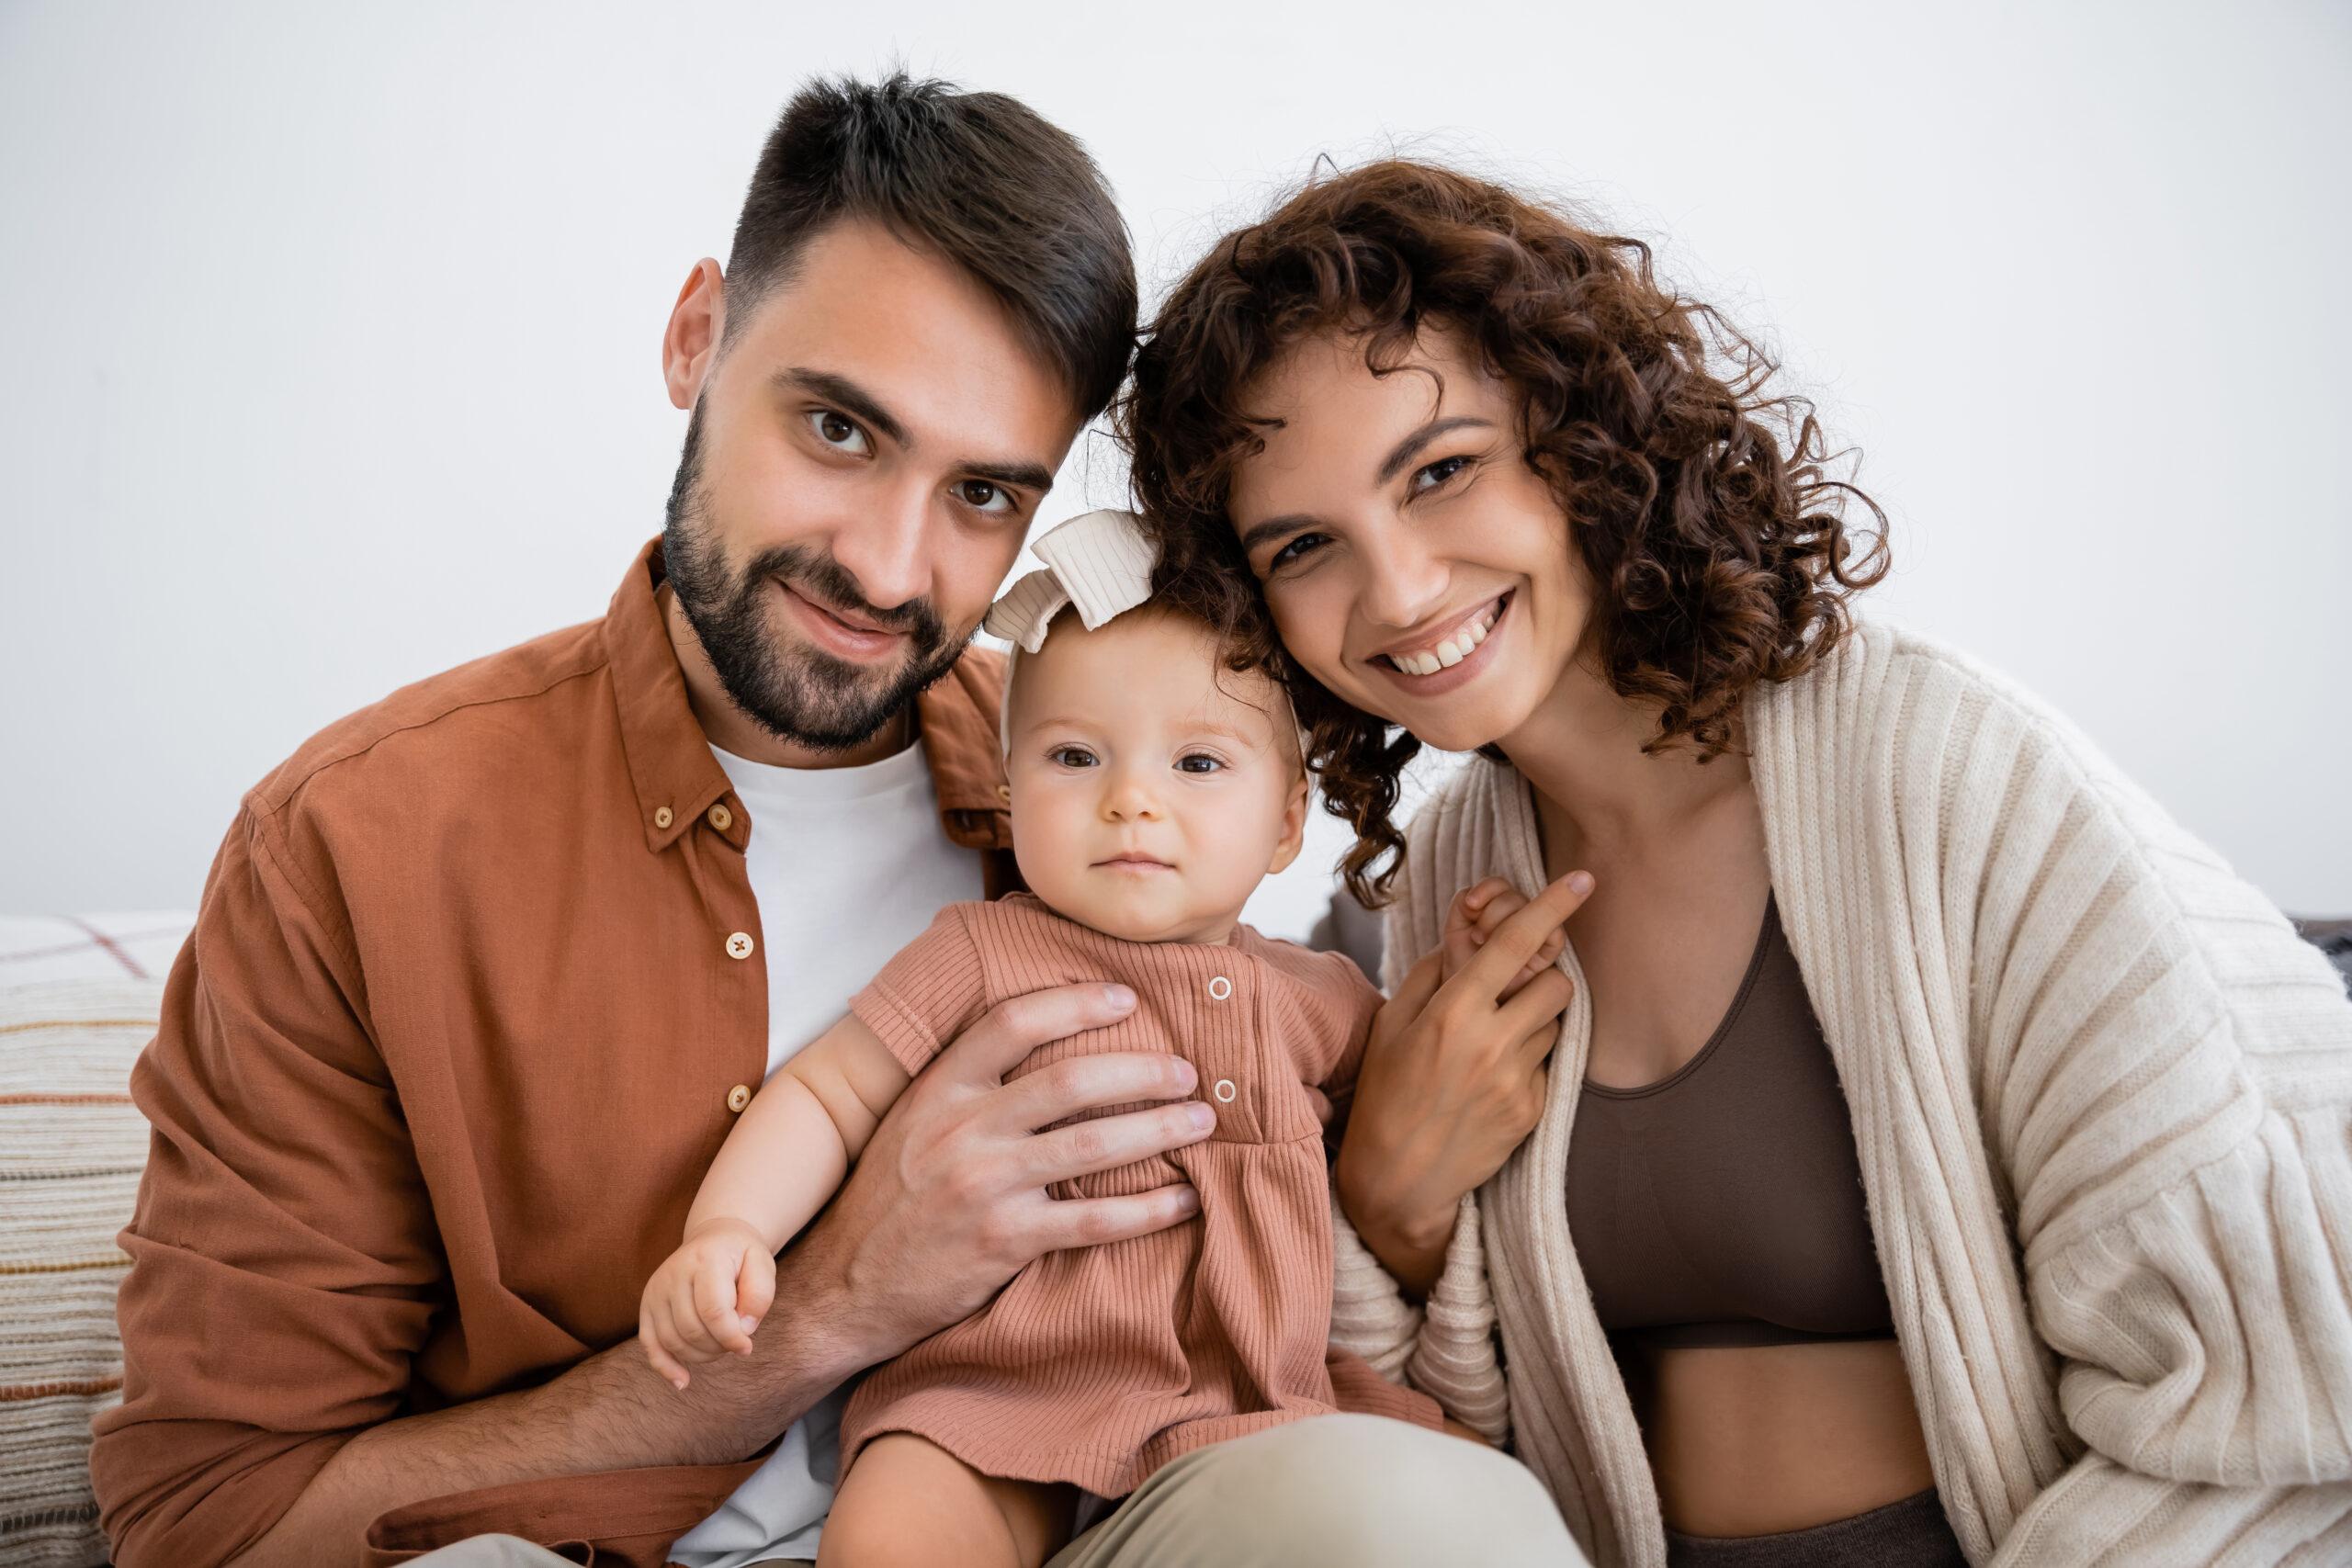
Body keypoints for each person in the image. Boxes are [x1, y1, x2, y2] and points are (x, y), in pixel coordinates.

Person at [89, 85, 1570, 1568]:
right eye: (839, 426)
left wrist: (1391, 1186)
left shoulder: (1114, 778)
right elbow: (210, 1521)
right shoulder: (362, 841)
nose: (886, 563)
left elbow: (1299, 1115)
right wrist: (826, 1308)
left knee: (1420, 1521)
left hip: (1118, 1505)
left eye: (985, 491)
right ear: (696, 337)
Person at [1121, 158, 2352, 1566]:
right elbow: (1445, 1451)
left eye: (1442, 470)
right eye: (1304, 545)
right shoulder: (1447, 878)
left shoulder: (1937, 773)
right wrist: (1390, 1214)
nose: (1397, 590)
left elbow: (2279, 1385)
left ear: (1578, 433)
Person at [637, 508, 1573, 1566]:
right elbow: (824, 1096)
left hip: (1242, 1405)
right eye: (1075, 756)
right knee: (895, 1531)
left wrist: (1466, 956)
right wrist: (729, 1231)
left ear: (1284, 821)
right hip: (994, 1398)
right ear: (1007, 788)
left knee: (1407, 1509)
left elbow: (1416, 1072)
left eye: (1198, 766)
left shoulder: (1313, 997)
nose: (1130, 802)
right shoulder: (985, 955)